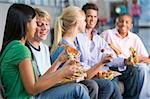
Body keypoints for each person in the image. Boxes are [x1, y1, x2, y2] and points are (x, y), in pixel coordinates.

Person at [0, 3, 90, 99]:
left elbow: (38, 80)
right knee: (78, 89)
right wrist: (62, 73)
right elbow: (32, 89)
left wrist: (59, 61)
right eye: (36, 23)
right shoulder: (21, 50)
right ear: (26, 24)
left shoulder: (11, 46)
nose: (36, 28)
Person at [50, 5, 122, 99]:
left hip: (77, 79)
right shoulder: (66, 47)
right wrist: (100, 63)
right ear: (77, 23)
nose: (87, 23)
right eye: (84, 20)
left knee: (109, 84)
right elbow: (79, 74)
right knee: (103, 85)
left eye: (95, 17)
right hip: (66, 84)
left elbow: (81, 72)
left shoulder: (73, 45)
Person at [27, 7, 98, 99]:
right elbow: (36, 86)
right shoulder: (27, 51)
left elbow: (47, 76)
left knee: (91, 86)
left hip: (48, 87)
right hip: (40, 93)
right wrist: (64, 72)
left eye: (47, 24)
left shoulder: (44, 48)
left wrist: (61, 63)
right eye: (39, 24)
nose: (44, 28)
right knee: (83, 88)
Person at [101, 13, 149, 99]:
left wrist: (135, 59)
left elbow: (146, 58)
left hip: (128, 68)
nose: (124, 24)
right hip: (111, 66)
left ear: (131, 25)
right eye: (121, 21)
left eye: (127, 22)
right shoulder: (107, 34)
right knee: (113, 82)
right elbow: (98, 48)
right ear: (116, 23)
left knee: (139, 69)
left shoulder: (134, 38)